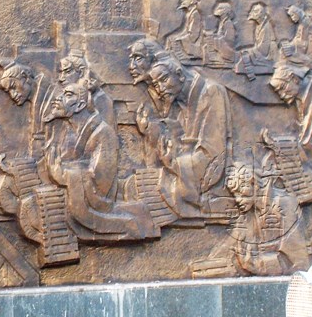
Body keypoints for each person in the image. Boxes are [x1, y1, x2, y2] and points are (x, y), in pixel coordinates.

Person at [43, 83, 159, 240]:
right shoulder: (68, 132)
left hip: (95, 202)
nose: (58, 98)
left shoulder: (104, 133)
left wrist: (64, 176)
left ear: (80, 105)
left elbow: (101, 182)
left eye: (68, 95)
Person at [134, 51, 230, 216]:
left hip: (205, 185)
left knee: (158, 197)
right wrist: (149, 129)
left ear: (179, 74)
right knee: (134, 188)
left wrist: (174, 164)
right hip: (183, 173)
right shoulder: (179, 102)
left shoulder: (211, 92)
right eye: (156, 85)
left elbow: (213, 155)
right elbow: (175, 140)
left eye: (164, 79)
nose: (160, 89)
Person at [0, 60, 57, 216]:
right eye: (8, 91)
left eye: (13, 87)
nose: (13, 95)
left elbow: (57, 149)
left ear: (25, 77)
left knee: (4, 189)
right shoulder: (38, 100)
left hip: (53, 171)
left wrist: (20, 169)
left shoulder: (52, 100)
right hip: (40, 165)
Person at [57, 50, 116, 130]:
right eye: (61, 73)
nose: (61, 78)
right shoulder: (64, 98)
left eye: (67, 72)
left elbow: (107, 133)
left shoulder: (100, 99)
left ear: (81, 72)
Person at [236, 1, 277, 80]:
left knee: (245, 56)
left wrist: (251, 51)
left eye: (254, 11)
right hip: (259, 51)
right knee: (243, 55)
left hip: (266, 55)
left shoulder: (266, 27)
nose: (251, 13)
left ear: (260, 13)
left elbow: (264, 49)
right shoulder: (259, 25)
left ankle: (251, 75)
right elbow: (258, 45)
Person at [166, 0, 203, 65]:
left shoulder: (195, 14)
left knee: (175, 41)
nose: (183, 1)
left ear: (191, 1)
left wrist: (180, 39)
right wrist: (178, 37)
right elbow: (186, 31)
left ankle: (181, 58)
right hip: (188, 38)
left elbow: (193, 36)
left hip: (194, 43)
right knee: (171, 39)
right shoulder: (189, 14)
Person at [203, 1, 237, 67]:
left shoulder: (228, 23)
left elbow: (229, 40)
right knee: (206, 45)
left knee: (209, 43)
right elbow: (220, 35)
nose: (217, 10)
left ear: (224, 11)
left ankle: (217, 61)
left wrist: (215, 39)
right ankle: (212, 61)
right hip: (221, 44)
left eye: (219, 8)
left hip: (226, 49)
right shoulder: (222, 22)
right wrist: (210, 35)